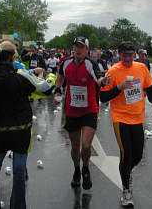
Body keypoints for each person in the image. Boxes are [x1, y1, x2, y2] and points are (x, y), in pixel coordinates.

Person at [0, 41, 46, 209]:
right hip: (19, 133)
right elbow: (43, 89)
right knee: (19, 172)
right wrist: (49, 77)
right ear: (13, 58)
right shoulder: (20, 76)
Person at [100, 41, 152, 207]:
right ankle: (126, 190)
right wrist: (119, 88)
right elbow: (103, 98)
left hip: (138, 118)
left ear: (135, 54)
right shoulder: (113, 71)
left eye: (130, 54)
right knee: (126, 153)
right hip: (120, 118)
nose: (127, 58)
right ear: (119, 55)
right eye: (124, 55)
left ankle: (126, 172)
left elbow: (151, 90)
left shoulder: (141, 68)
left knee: (137, 155)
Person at [53, 37, 109, 190]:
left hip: (89, 109)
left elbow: (98, 78)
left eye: (81, 47)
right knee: (75, 145)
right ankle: (77, 169)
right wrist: (58, 89)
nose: (78, 49)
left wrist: (102, 81)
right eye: (76, 46)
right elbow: (60, 77)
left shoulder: (91, 63)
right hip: (72, 110)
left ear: (86, 50)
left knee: (85, 145)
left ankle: (86, 167)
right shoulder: (65, 63)